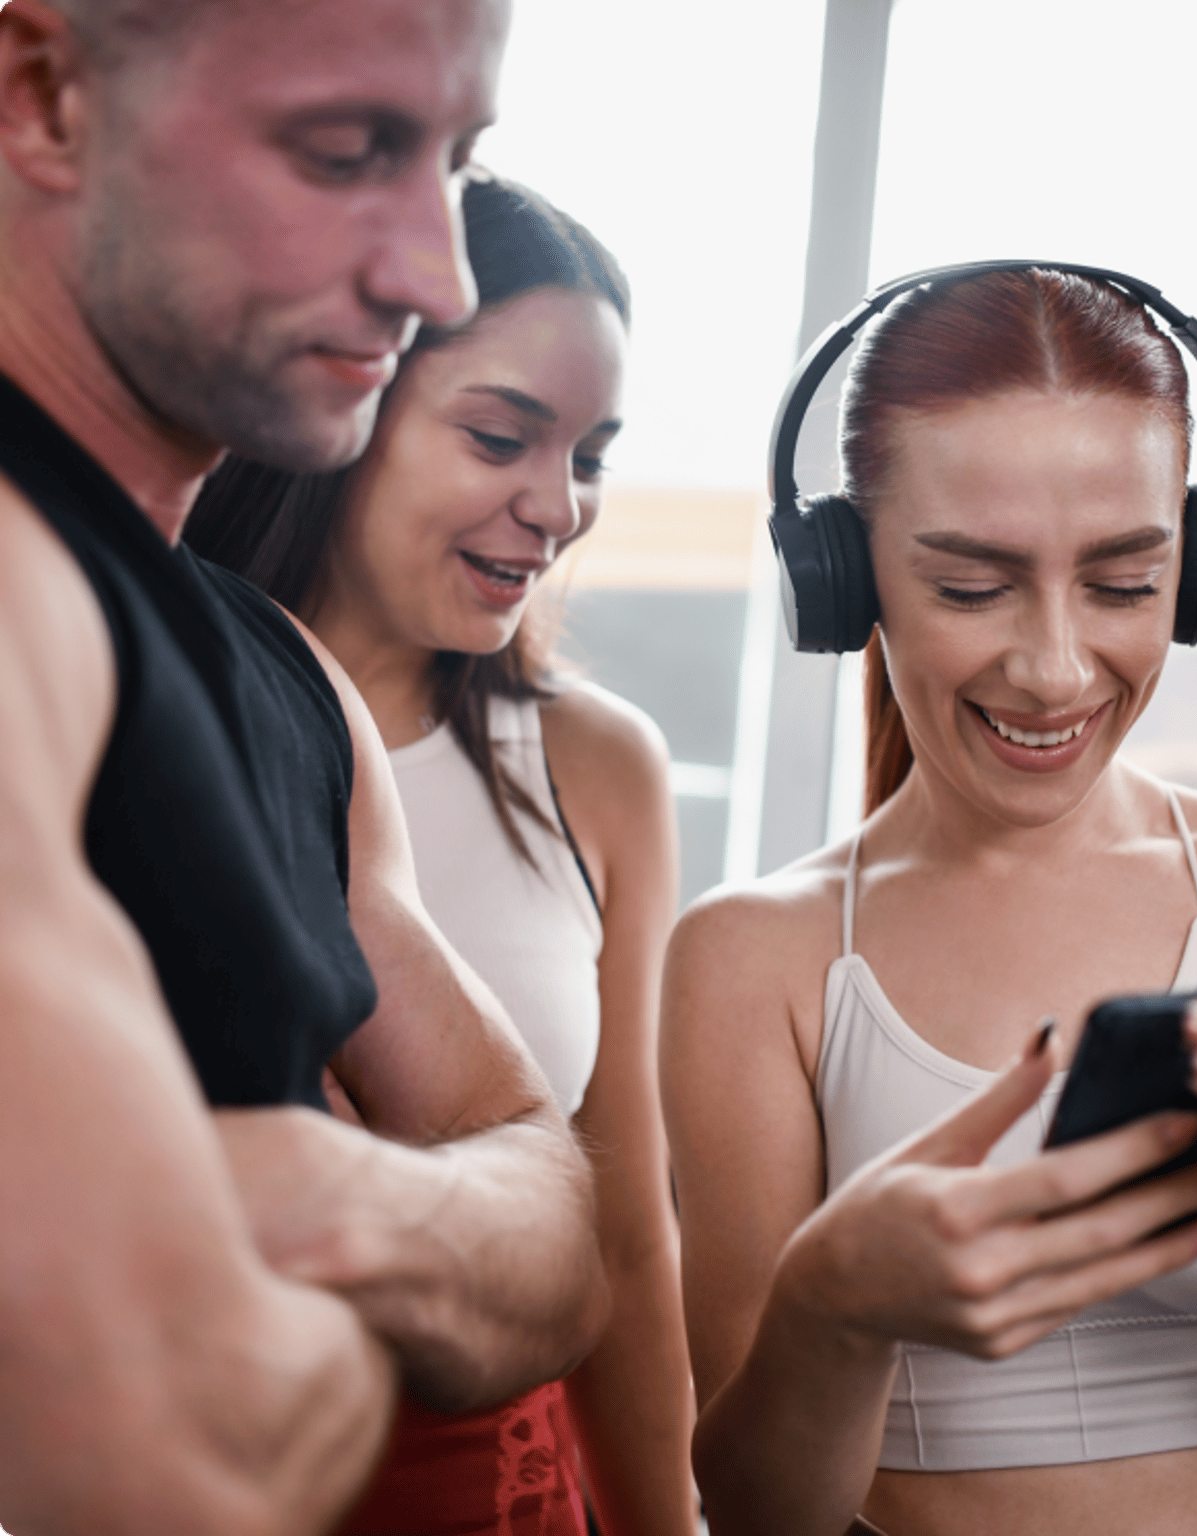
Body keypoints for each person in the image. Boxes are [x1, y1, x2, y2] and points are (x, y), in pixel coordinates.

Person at [659, 267, 1197, 1536]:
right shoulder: (755, 960)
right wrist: (835, 1310)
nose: (1056, 668)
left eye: (1123, 586)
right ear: (846, 581)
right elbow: (760, 1515)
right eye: (968, 588)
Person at [0, 3, 609, 1532]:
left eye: (456, 164)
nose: (437, 272)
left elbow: (556, 1220)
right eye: (349, 152)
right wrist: (398, 1253)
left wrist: (316, 1196)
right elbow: (157, 1437)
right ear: (44, 95)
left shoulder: (289, 679)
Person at [184, 173, 697, 1536]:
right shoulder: (146, 712)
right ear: (346, 400)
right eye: (500, 437)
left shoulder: (597, 769)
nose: (559, 507)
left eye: (586, 456)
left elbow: (627, 1234)